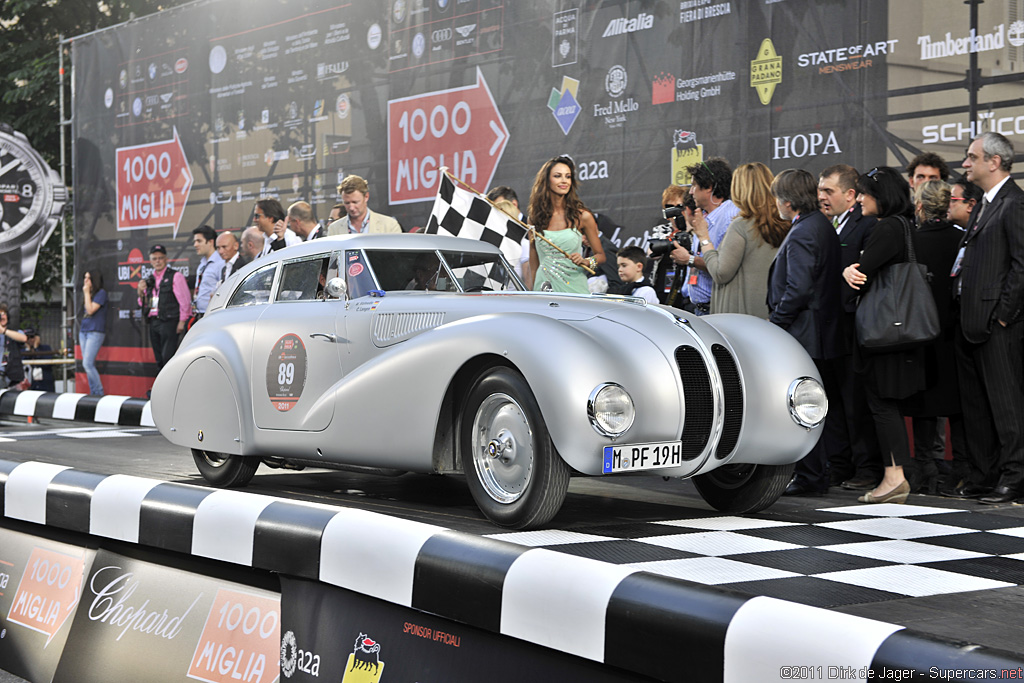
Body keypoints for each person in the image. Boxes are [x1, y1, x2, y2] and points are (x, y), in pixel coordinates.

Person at [945, 133, 1024, 504]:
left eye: (971, 157)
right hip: (969, 320)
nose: (965, 164)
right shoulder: (984, 204)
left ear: (994, 162)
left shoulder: (1015, 203)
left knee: (1007, 406)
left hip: (995, 325)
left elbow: (1021, 267)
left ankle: (1015, 477)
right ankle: (984, 475)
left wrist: (1003, 317)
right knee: (976, 406)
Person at [841, 167, 927, 505]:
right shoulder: (905, 225)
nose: (859, 199)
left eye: (864, 192)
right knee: (886, 403)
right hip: (900, 332)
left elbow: (862, 274)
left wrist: (849, 269)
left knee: (882, 404)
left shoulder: (887, 228)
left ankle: (893, 477)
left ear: (882, 194)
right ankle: (895, 476)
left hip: (885, 334)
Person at [768, 169, 844, 496]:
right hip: (821, 331)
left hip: (804, 333)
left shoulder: (803, 232)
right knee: (817, 405)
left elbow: (797, 289)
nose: (775, 206)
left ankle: (811, 476)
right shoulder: (821, 225)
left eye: (776, 199)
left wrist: (776, 326)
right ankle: (818, 473)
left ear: (787, 201)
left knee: (803, 406)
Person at [817, 164, 882, 491]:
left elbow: (865, 274)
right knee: (834, 402)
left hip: (854, 326)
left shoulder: (867, 226)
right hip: (828, 328)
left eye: (829, 190)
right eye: (820, 190)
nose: (822, 196)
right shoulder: (822, 225)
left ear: (850, 195)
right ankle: (839, 465)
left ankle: (867, 468)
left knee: (856, 401)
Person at [900, 180, 966, 493]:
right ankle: (962, 470)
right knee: (957, 405)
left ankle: (924, 469)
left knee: (925, 403)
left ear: (921, 206)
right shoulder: (963, 238)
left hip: (920, 332)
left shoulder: (912, 240)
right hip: (956, 332)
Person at [687, 162, 788, 318]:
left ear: (740, 189)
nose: (690, 191)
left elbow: (720, 273)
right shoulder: (783, 224)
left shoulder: (741, 224)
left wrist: (704, 238)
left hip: (737, 317)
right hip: (767, 313)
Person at [668, 158, 739, 316]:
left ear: (709, 187)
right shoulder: (705, 217)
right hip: (701, 310)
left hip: (718, 310)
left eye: (694, 185)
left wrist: (689, 260)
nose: (691, 191)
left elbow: (724, 266)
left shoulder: (731, 217)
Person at [526, 155, 605, 293]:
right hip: (544, 289)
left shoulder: (582, 216)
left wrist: (586, 262)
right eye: (558, 176)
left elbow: (601, 256)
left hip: (574, 289)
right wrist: (534, 293)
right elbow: (534, 264)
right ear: (546, 181)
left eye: (568, 176)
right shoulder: (534, 218)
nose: (564, 181)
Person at [137, 245, 190, 370]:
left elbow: (185, 301)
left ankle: (170, 387)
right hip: (154, 322)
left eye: (160, 258)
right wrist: (140, 290)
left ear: (166, 259)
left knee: (168, 358)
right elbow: (142, 303)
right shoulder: (149, 279)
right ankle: (162, 387)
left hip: (169, 322)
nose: (157, 261)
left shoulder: (175, 276)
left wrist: (182, 322)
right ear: (150, 261)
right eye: (154, 258)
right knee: (159, 359)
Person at [327, 175, 402, 235]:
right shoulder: (334, 229)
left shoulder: (389, 225)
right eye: (347, 203)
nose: (351, 207)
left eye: (355, 202)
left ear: (366, 197)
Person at [487, 185, 531, 282]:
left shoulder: (531, 230)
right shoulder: (491, 235)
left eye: (499, 208)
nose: (494, 214)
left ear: (513, 205)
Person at [79, 268, 108, 395]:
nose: (85, 281)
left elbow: (90, 310)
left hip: (95, 331)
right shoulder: (89, 294)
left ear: (94, 280)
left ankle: (99, 392)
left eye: (88, 278)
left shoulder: (101, 293)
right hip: (84, 330)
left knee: (87, 364)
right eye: (84, 278)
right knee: (87, 365)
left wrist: (86, 293)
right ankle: (93, 393)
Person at [191, 225, 224, 320]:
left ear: (210, 242)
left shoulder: (220, 263)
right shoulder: (202, 263)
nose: (195, 245)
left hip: (212, 315)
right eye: (195, 241)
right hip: (199, 314)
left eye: (199, 241)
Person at [0, 304, 26, 389]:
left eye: (4, 314)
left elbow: (23, 338)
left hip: (13, 378)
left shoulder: (14, 332)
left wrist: (4, 331)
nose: (2, 317)